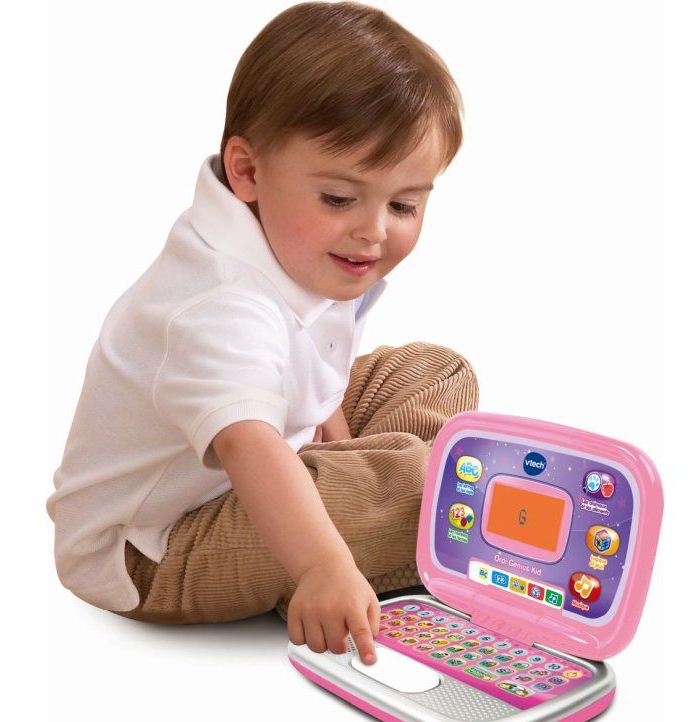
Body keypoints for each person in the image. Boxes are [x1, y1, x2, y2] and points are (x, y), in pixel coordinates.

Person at [46, 1, 478, 666]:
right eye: (340, 199)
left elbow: (312, 353)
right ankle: (347, 543)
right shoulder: (220, 304)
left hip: (260, 464)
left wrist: (336, 440)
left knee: (436, 370)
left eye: (404, 205)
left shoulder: (295, 240)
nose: (374, 231)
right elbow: (247, 442)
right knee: (426, 489)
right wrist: (323, 564)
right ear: (247, 172)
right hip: (154, 549)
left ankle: (369, 499)